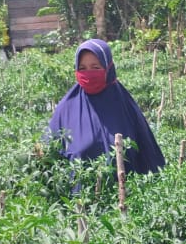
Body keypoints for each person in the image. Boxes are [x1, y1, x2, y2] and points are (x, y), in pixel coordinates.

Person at [46, 38, 166, 176]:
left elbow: (149, 159)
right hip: (79, 197)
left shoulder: (125, 108)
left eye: (95, 67)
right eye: (82, 68)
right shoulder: (66, 110)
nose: (88, 73)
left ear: (108, 68)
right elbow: (50, 159)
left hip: (125, 195)